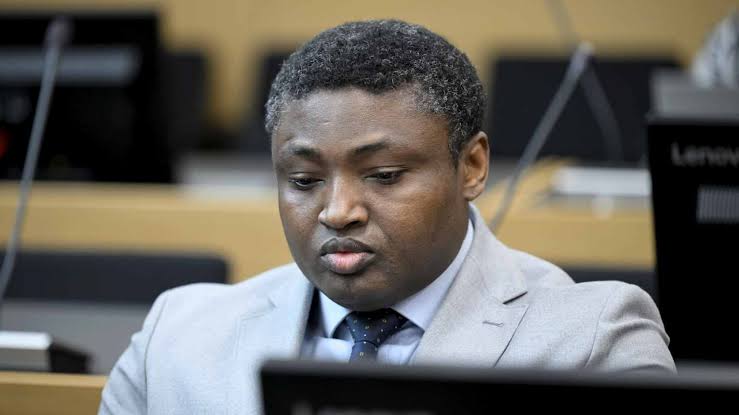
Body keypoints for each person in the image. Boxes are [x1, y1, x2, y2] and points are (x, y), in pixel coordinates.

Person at [100, 19, 674, 414]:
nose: (337, 212)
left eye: (384, 175)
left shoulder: (594, 340)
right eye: (303, 181)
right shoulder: (176, 335)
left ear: (472, 167)